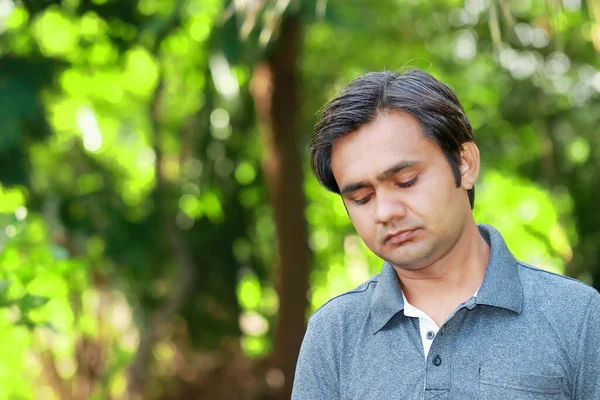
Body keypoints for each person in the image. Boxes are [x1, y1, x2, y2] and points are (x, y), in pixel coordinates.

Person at [291, 69, 600, 399]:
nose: (385, 212)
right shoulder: (335, 332)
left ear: (464, 164)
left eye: (406, 181)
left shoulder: (577, 316)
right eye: (362, 198)